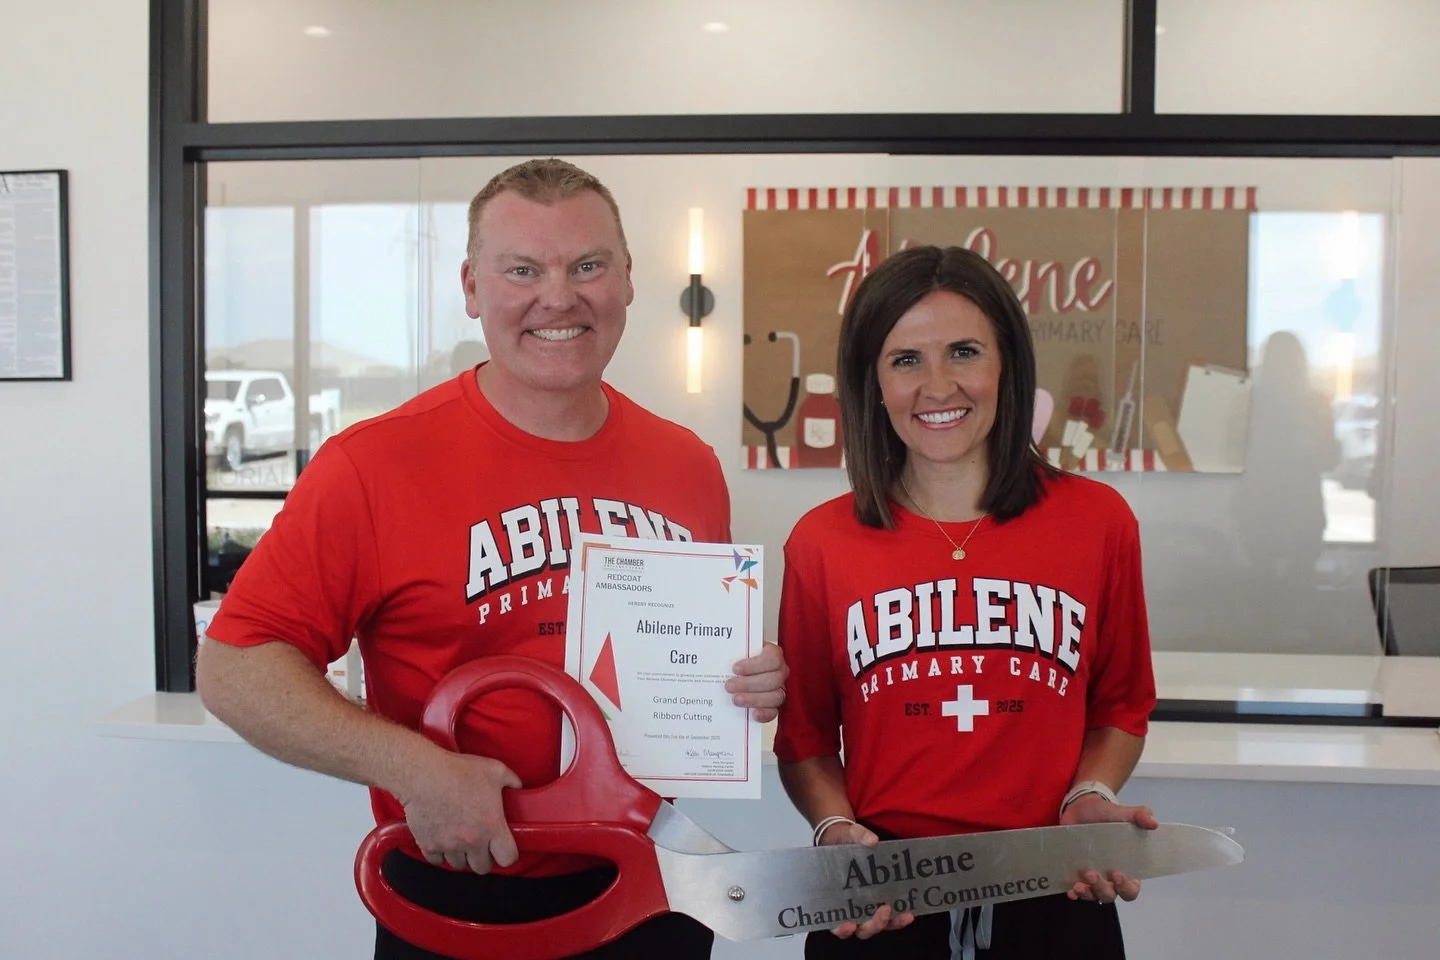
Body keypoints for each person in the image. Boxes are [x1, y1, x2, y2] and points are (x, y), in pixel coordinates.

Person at [196, 158, 788, 960]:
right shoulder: (372, 465)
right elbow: (235, 665)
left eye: (587, 266)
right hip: (455, 890)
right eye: (523, 270)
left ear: (627, 281)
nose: (559, 296)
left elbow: (674, 666)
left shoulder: (687, 466)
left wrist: (746, 681)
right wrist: (416, 769)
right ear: (473, 288)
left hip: (646, 888)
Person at [774, 245, 1157, 959]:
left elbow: (1122, 704)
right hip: (881, 898)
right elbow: (804, 740)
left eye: (964, 352)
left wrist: (1089, 795)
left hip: (1056, 883)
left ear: (1007, 365)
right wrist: (835, 834)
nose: (938, 385)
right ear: (872, 381)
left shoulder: (1099, 522)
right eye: (905, 360)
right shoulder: (822, 543)